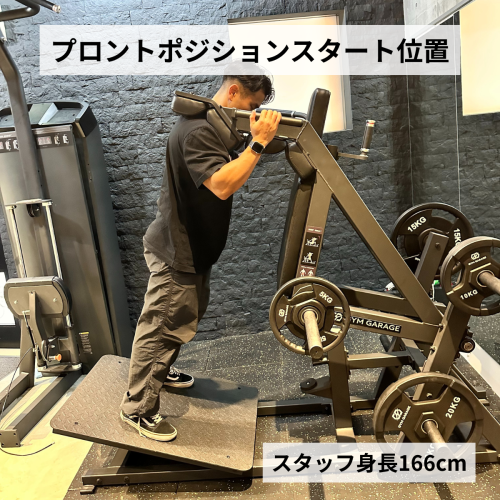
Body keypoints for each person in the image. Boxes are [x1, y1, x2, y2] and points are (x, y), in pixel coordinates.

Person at [120, 73, 281, 442]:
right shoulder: (198, 130)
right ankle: (137, 408)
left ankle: (161, 373)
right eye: (252, 105)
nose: (253, 113)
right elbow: (222, 184)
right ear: (233, 90)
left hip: (192, 246)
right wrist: (257, 143)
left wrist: (258, 140)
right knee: (163, 326)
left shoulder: (213, 124)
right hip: (178, 250)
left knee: (181, 318)